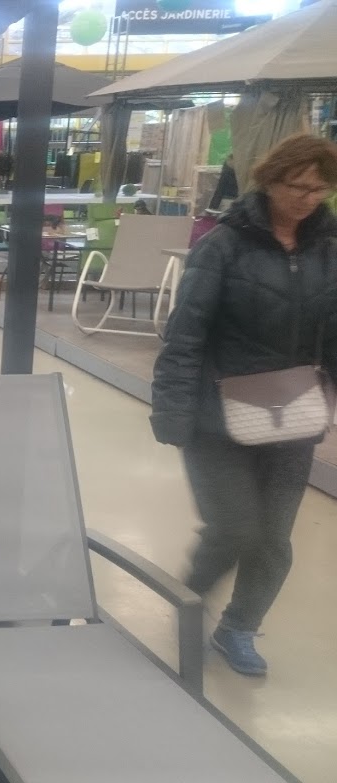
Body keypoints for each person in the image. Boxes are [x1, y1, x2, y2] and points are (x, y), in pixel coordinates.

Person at [152, 134, 337, 677]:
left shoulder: (329, 250)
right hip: (216, 415)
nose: (308, 198)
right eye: (297, 186)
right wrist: (172, 410)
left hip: (294, 414)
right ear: (269, 180)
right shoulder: (223, 245)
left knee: (274, 540)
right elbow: (185, 333)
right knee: (233, 527)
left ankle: (238, 627)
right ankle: (189, 600)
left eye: (320, 189)